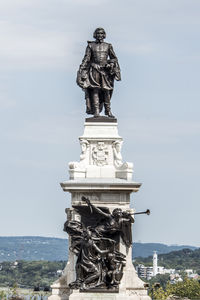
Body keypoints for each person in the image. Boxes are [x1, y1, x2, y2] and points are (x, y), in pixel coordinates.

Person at [77, 28, 121, 118]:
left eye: (101, 33)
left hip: (105, 72)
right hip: (94, 70)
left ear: (104, 35)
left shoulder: (108, 46)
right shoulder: (90, 45)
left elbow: (114, 58)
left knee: (106, 91)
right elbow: (86, 59)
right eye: (98, 33)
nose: (100, 35)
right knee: (95, 90)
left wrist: (110, 63)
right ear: (95, 35)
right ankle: (96, 111)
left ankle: (108, 111)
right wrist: (81, 70)